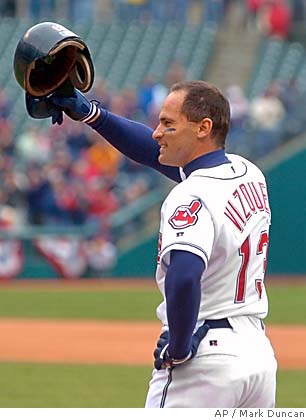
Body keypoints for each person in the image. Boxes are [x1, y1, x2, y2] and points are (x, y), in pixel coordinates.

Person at [26, 80, 277, 408]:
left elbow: (185, 276)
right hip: (257, 355)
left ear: (203, 128)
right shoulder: (249, 173)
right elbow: (157, 154)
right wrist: (91, 113)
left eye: (168, 124)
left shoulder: (189, 194)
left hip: (205, 359)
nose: (157, 132)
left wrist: (179, 348)